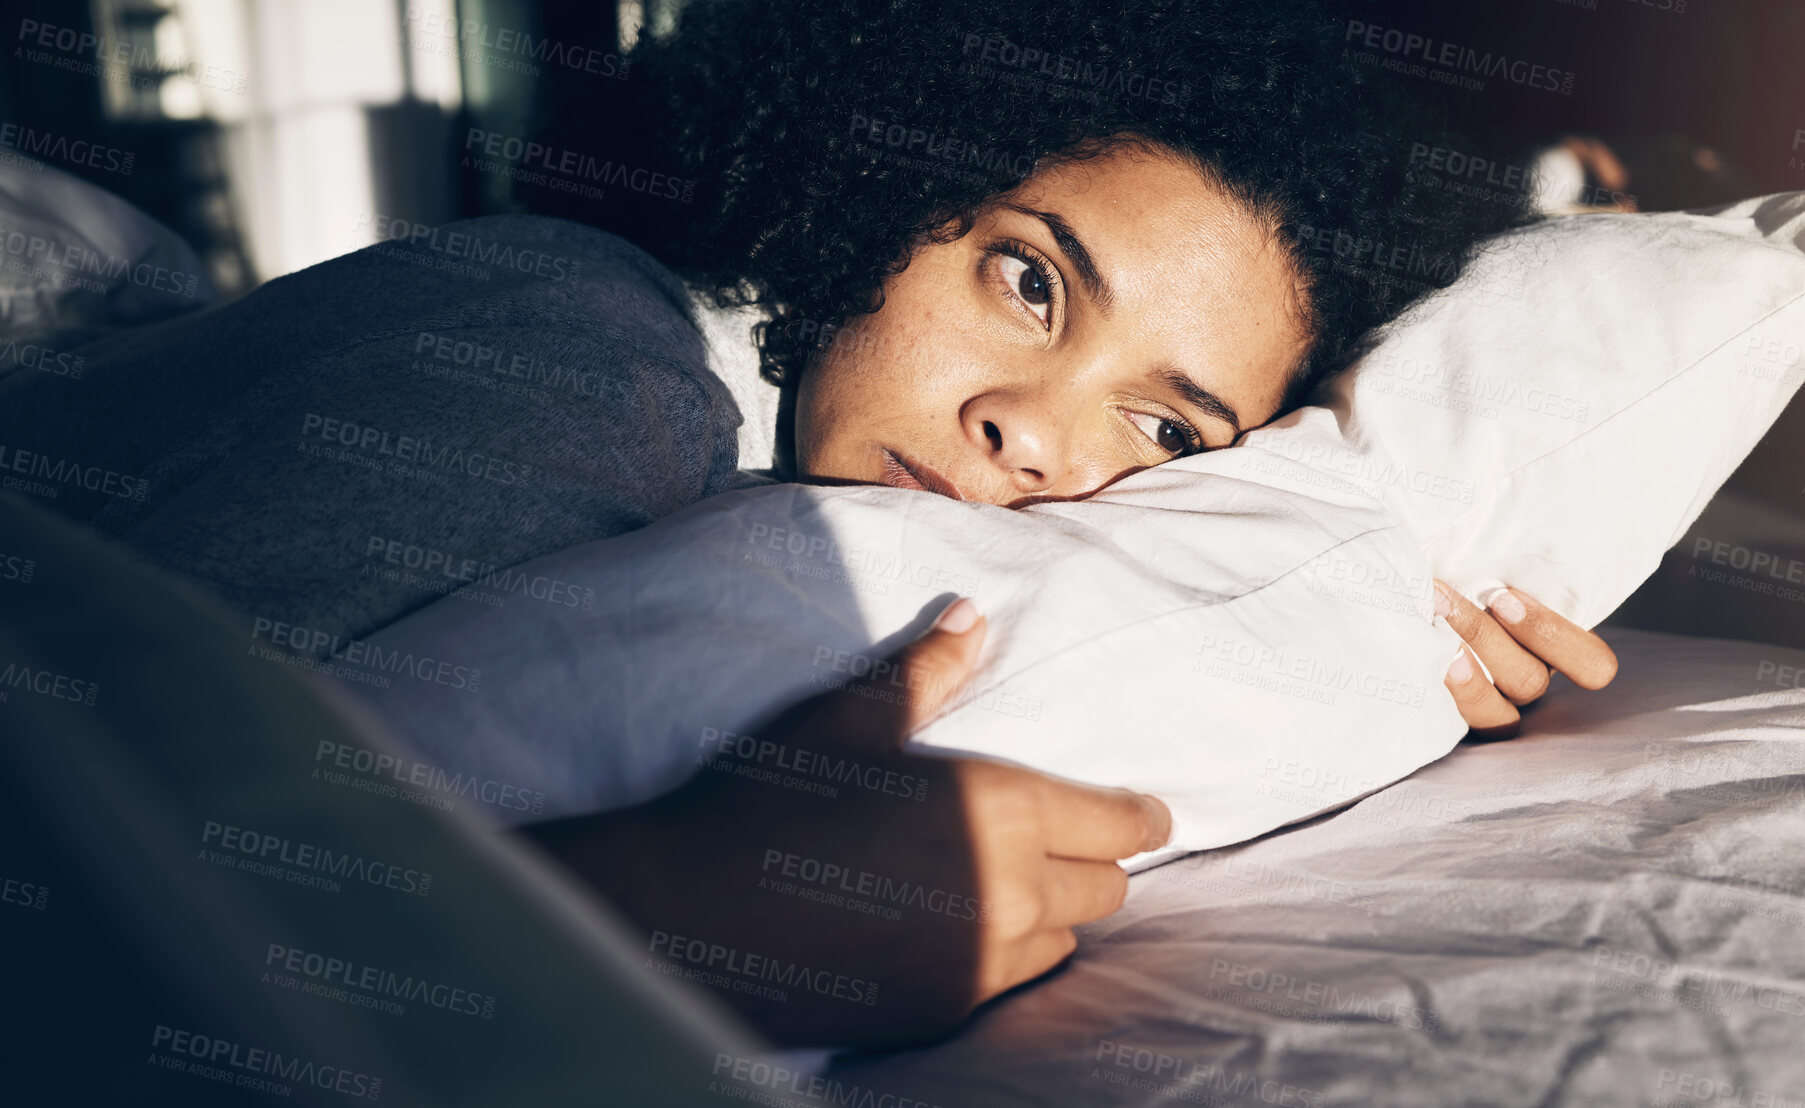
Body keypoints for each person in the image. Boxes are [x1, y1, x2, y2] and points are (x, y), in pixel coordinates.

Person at [0, 0, 1616, 1049]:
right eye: (1028, 279)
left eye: (1163, 426)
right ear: (877, 186)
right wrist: (657, 919)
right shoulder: (569, 350)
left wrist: (1376, 631)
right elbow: (81, 879)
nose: (1030, 435)